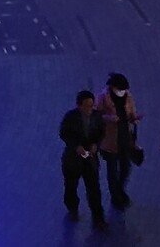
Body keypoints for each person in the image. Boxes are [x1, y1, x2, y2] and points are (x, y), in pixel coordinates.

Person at [59, 90, 107, 229]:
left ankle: (98, 218)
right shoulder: (70, 117)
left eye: (91, 105)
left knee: (94, 189)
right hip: (73, 160)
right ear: (79, 106)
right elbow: (64, 133)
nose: (89, 109)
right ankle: (72, 208)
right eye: (86, 106)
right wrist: (76, 146)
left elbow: (101, 132)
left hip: (90, 159)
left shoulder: (97, 116)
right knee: (71, 187)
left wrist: (95, 145)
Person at [96, 72, 142, 210]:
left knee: (125, 168)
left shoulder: (128, 96)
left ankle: (119, 189)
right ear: (113, 87)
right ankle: (115, 196)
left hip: (125, 137)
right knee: (112, 170)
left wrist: (135, 118)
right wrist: (109, 118)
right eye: (120, 89)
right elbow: (97, 115)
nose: (122, 92)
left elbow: (132, 112)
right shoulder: (103, 97)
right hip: (109, 140)